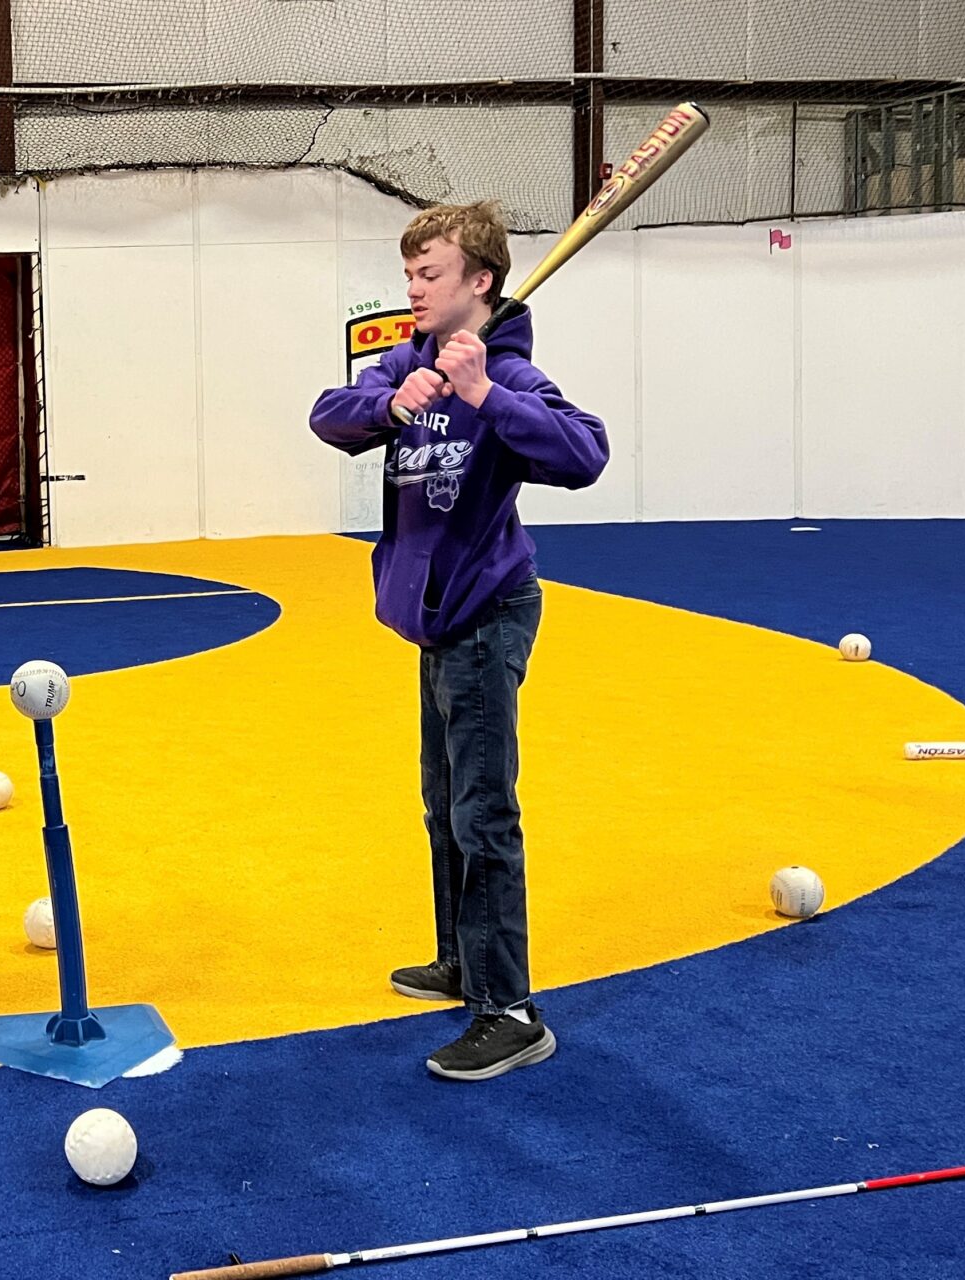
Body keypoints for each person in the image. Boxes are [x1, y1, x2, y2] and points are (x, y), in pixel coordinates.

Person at [309, 201, 609, 1081]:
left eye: (429, 274)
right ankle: (461, 961)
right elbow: (330, 415)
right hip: (435, 622)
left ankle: (509, 1009)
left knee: (483, 812)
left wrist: (483, 393)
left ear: (480, 282)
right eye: (407, 274)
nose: (413, 289)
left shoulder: (510, 374)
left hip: (486, 614)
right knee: (442, 804)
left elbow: (585, 454)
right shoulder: (408, 360)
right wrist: (388, 402)